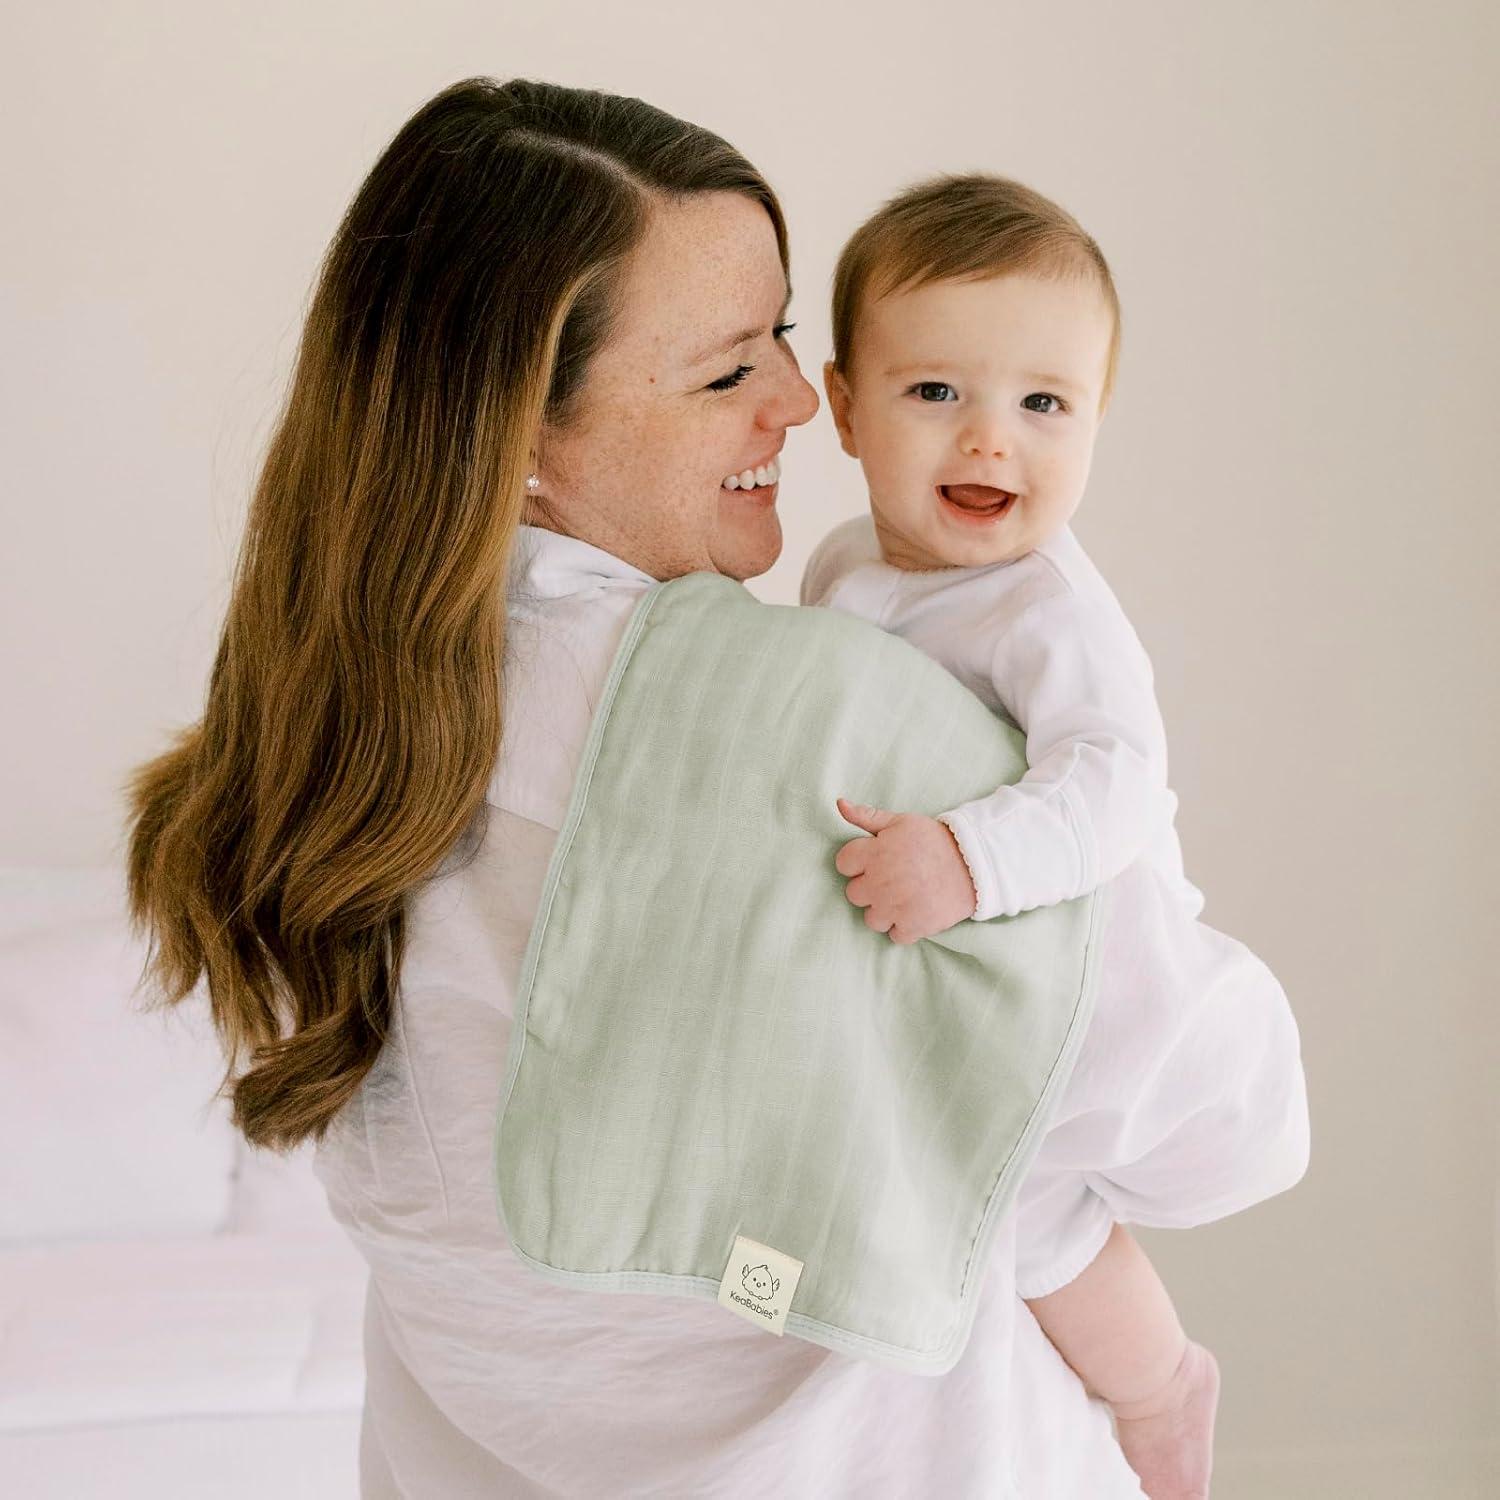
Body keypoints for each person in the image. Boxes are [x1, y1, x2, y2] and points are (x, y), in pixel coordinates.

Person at [123, 76, 1309, 1498]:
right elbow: (1225, 1127)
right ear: (523, 433)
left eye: (785, 338)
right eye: (728, 369)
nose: (804, 404)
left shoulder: (326, 730)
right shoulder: (822, 736)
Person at [801, 173, 1229, 1497]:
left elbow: (1117, 781)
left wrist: (969, 859)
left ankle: (1159, 1386)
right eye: (936, 391)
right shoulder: (843, 568)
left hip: (1068, 949)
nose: (992, 440)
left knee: (1032, 1203)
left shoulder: (1045, 610)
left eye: (1045, 404)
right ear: (844, 409)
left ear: (1097, 417)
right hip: (929, 949)